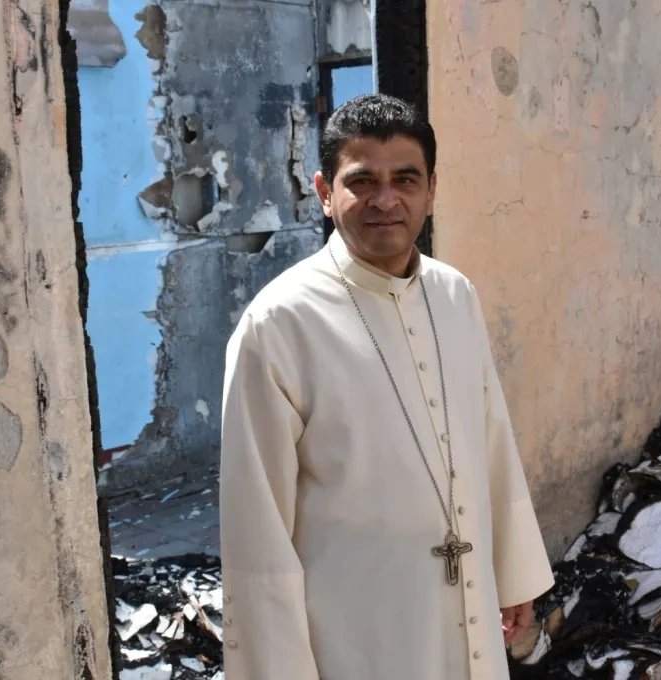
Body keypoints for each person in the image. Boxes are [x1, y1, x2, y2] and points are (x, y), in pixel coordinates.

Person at [217, 93, 555, 679]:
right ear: (325, 193)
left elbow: (492, 441)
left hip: (466, 602)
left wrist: (514, 574)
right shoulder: (278, 323)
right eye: (362, 181)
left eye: (405, 178)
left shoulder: (454, 294)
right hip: (356, 635)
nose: (385, 199)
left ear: (431, 190)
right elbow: (257, 530)